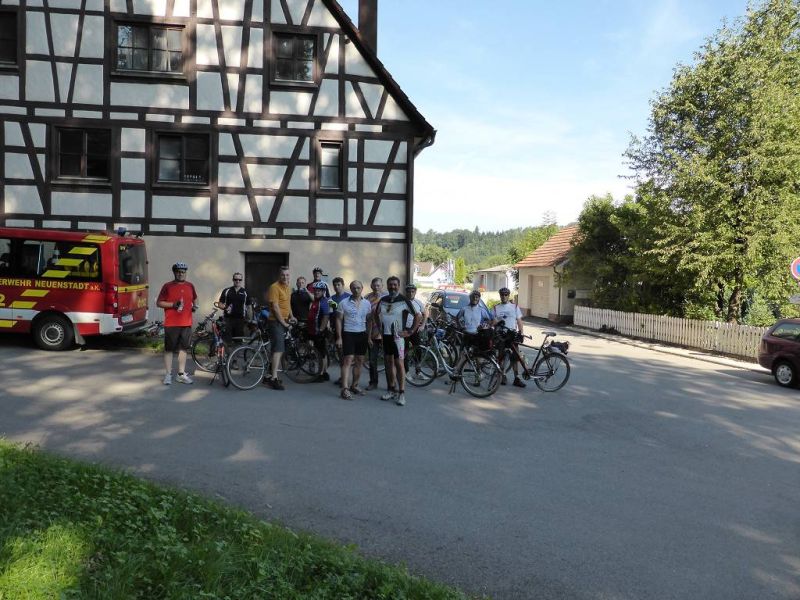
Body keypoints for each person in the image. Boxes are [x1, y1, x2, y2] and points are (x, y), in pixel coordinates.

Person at [376, 276, 419, 407]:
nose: (392, 287)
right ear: (387, 286)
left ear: (398, 286)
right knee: (388, 364)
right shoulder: (383, 300)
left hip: (398, 338)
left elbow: (418, 315)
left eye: (395, 284)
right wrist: (380, 328)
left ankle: (401, 393)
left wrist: (410, 331)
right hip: (386, 337)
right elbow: (375, 314)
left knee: (399, 364)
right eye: (390, 284)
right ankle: (391, 390)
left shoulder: (404, 300)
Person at [156, 261, 198, 385]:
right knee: (169, 350)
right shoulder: (167, 286)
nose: (181, 274)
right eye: (178, 272)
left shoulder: (190, 285)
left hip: (186, 323)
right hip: (172, 323)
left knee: (183, 349)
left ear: (186, 273)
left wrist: (195, 307)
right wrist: (173, 305)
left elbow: (195, 298)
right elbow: (159, 303)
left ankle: (181, 374)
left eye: (183, 272)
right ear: (174, 272)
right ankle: (168, 374)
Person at [335, 280, 373, 400]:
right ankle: (344, 389)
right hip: (348, 333)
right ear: (350, 289)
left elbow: (369, 321)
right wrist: (339, 337)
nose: (356, 290)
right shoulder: (343, 303)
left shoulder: (367, 303)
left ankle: (354, 386)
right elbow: (338, 320)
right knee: (348, 360)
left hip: (362, 334)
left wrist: (369, 337)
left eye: (358, 288)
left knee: (359, 361)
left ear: (362, 288)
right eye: (354, 288)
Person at [264, 266, 296, 390]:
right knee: (278, 350)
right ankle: (274, 378)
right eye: (283, 275)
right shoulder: (274, 287)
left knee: (277, 349)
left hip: (284, 321)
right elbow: (275, 307)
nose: (285, 277)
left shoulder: (288, 287)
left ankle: (268, 375)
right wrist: (283, 323)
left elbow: (288, 304)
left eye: (287, 275)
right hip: (276, 322)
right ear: (279, 275)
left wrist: (292, 316)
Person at [493, 287, 526, 388]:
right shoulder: (496, 308)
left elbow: (519, 320)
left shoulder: (514, 307)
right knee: (501, 357)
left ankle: (517, 378)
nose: (504, 296)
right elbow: (492, 322)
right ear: (500, 296)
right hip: (501, 336)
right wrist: (496, 322)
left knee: (515, 358)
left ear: (508, 295)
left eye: (506, 294)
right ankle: (502, 376)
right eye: (502, 294)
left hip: (512, 335)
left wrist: (521, 333)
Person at [217, 272, 254, 344]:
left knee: (238, 342)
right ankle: (227, 351)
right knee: (227, 341)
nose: (238, 281)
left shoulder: (245, 292)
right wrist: (225, 308)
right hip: (228, 320)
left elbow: (249, 307)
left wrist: (249, 320)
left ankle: (236, 351)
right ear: (233, 280)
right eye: (236, 279)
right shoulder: (227, 291)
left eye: (240, 280)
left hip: (240, 320)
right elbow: (220, 304)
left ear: (241, 280)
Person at [365, 277, 387, 390]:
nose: (376, 287)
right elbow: (367, 317)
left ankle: (391, 385)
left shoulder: (387, 297)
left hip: (386, 334)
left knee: (389, 361)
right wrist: (368, 337)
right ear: (371, 286)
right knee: (372, 360)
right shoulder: (367, 298)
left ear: (382, 286)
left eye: (378, 285)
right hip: (372, 333)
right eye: (374, 285)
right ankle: (373, 382)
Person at [330, 277, 352, 386]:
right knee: (340, 355)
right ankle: (342, 377)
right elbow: (331, 313)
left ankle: (346, 380)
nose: (336, 287)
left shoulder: (349, 297)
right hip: (337, 330)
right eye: (335, 285)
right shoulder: (331, 299)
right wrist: (330, 325)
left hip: (348, 329)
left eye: (338, 284)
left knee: (347, 355)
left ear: (343, 285)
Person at [308, 281, 331, 381]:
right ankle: (324, 373)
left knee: (321, 354)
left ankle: (320, 375)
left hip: (319, 332)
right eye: (315, 290)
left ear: (323, 291)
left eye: (319, 291)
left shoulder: (323, 301)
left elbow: (326, 316)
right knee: (322, 353)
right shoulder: (316, 301)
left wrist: (321, 330)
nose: (317, 292)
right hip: (313, 330)